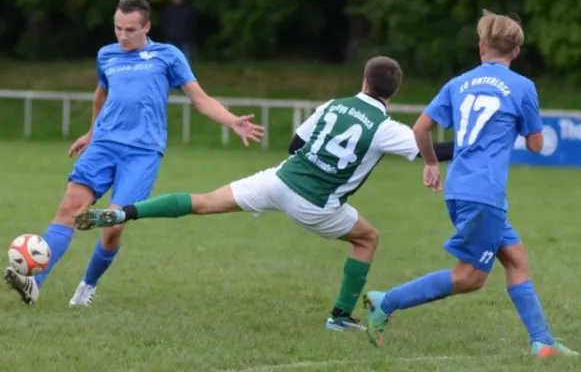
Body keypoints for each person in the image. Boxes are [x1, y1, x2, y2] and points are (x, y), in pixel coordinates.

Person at [73, 56, 454, 331]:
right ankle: (339, 317)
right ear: (395, 90)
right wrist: (473, 145)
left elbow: (295, 143)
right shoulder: (385, 127)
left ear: (364, 81)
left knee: (204, 202)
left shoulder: (335, 105)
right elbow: (434, 149)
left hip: (279, 180)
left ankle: (125, 212)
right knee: (368, 238)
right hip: (317, 204)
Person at [4, 0, 264, 306]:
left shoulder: (168, 55)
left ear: (147, 27)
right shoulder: (107, 55)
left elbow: (200, 99)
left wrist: (233, 121)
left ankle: (87, 286)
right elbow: (101, 97)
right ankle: (33, 283)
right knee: (68, 210)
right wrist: (91, 132)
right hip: (103, 146)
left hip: (142, 153)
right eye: (118, 28)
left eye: (130, 29)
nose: (123, 36)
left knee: (113, 225)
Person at [362, 10, 578, 357]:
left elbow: (420, 128)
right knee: (469, 278)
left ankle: (543, 342)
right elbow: (537, 145)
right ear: (516, 52)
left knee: (517, 260)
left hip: (461, 186)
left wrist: (431, 163)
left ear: (482, 48)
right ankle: (385, 302)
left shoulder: (458, 83)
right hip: (484, 193)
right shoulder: (523, 87)